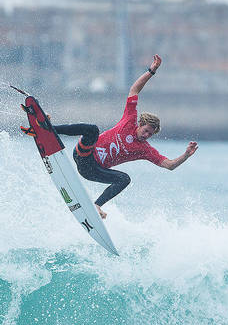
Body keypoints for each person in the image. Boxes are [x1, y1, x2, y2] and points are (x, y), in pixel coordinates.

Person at [53, 55, 198, 219]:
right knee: (92, 129)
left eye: (151, 134)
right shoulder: (129, 120)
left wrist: (186, 155)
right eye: (146, 130)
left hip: (93, 171)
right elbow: (134, 90)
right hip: (83, 154)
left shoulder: (144, 150)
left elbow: (169, 165)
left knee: (124, 179)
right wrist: (152, 71)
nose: (147, 135)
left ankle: (97, 205)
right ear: (140, 123)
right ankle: (50, 129)